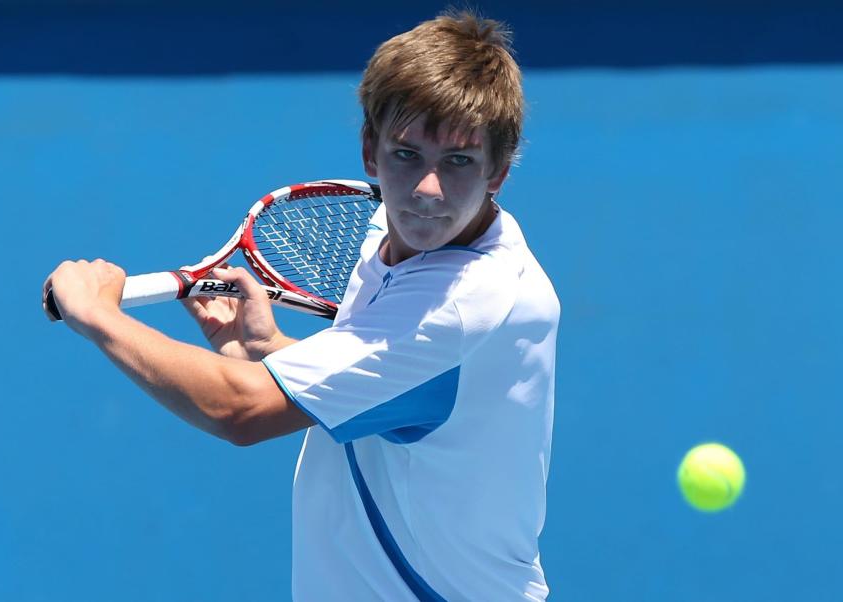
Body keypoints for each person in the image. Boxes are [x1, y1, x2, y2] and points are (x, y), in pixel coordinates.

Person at [44, 11, 559, 601]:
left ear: (500, 168)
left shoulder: (466, 304)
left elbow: (239, 412)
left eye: (459, 161)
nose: (426, 190)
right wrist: (269, 353)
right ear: (370, 150)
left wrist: (101, 316)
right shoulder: (393, 234)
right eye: (407, 154)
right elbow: (401, 400)